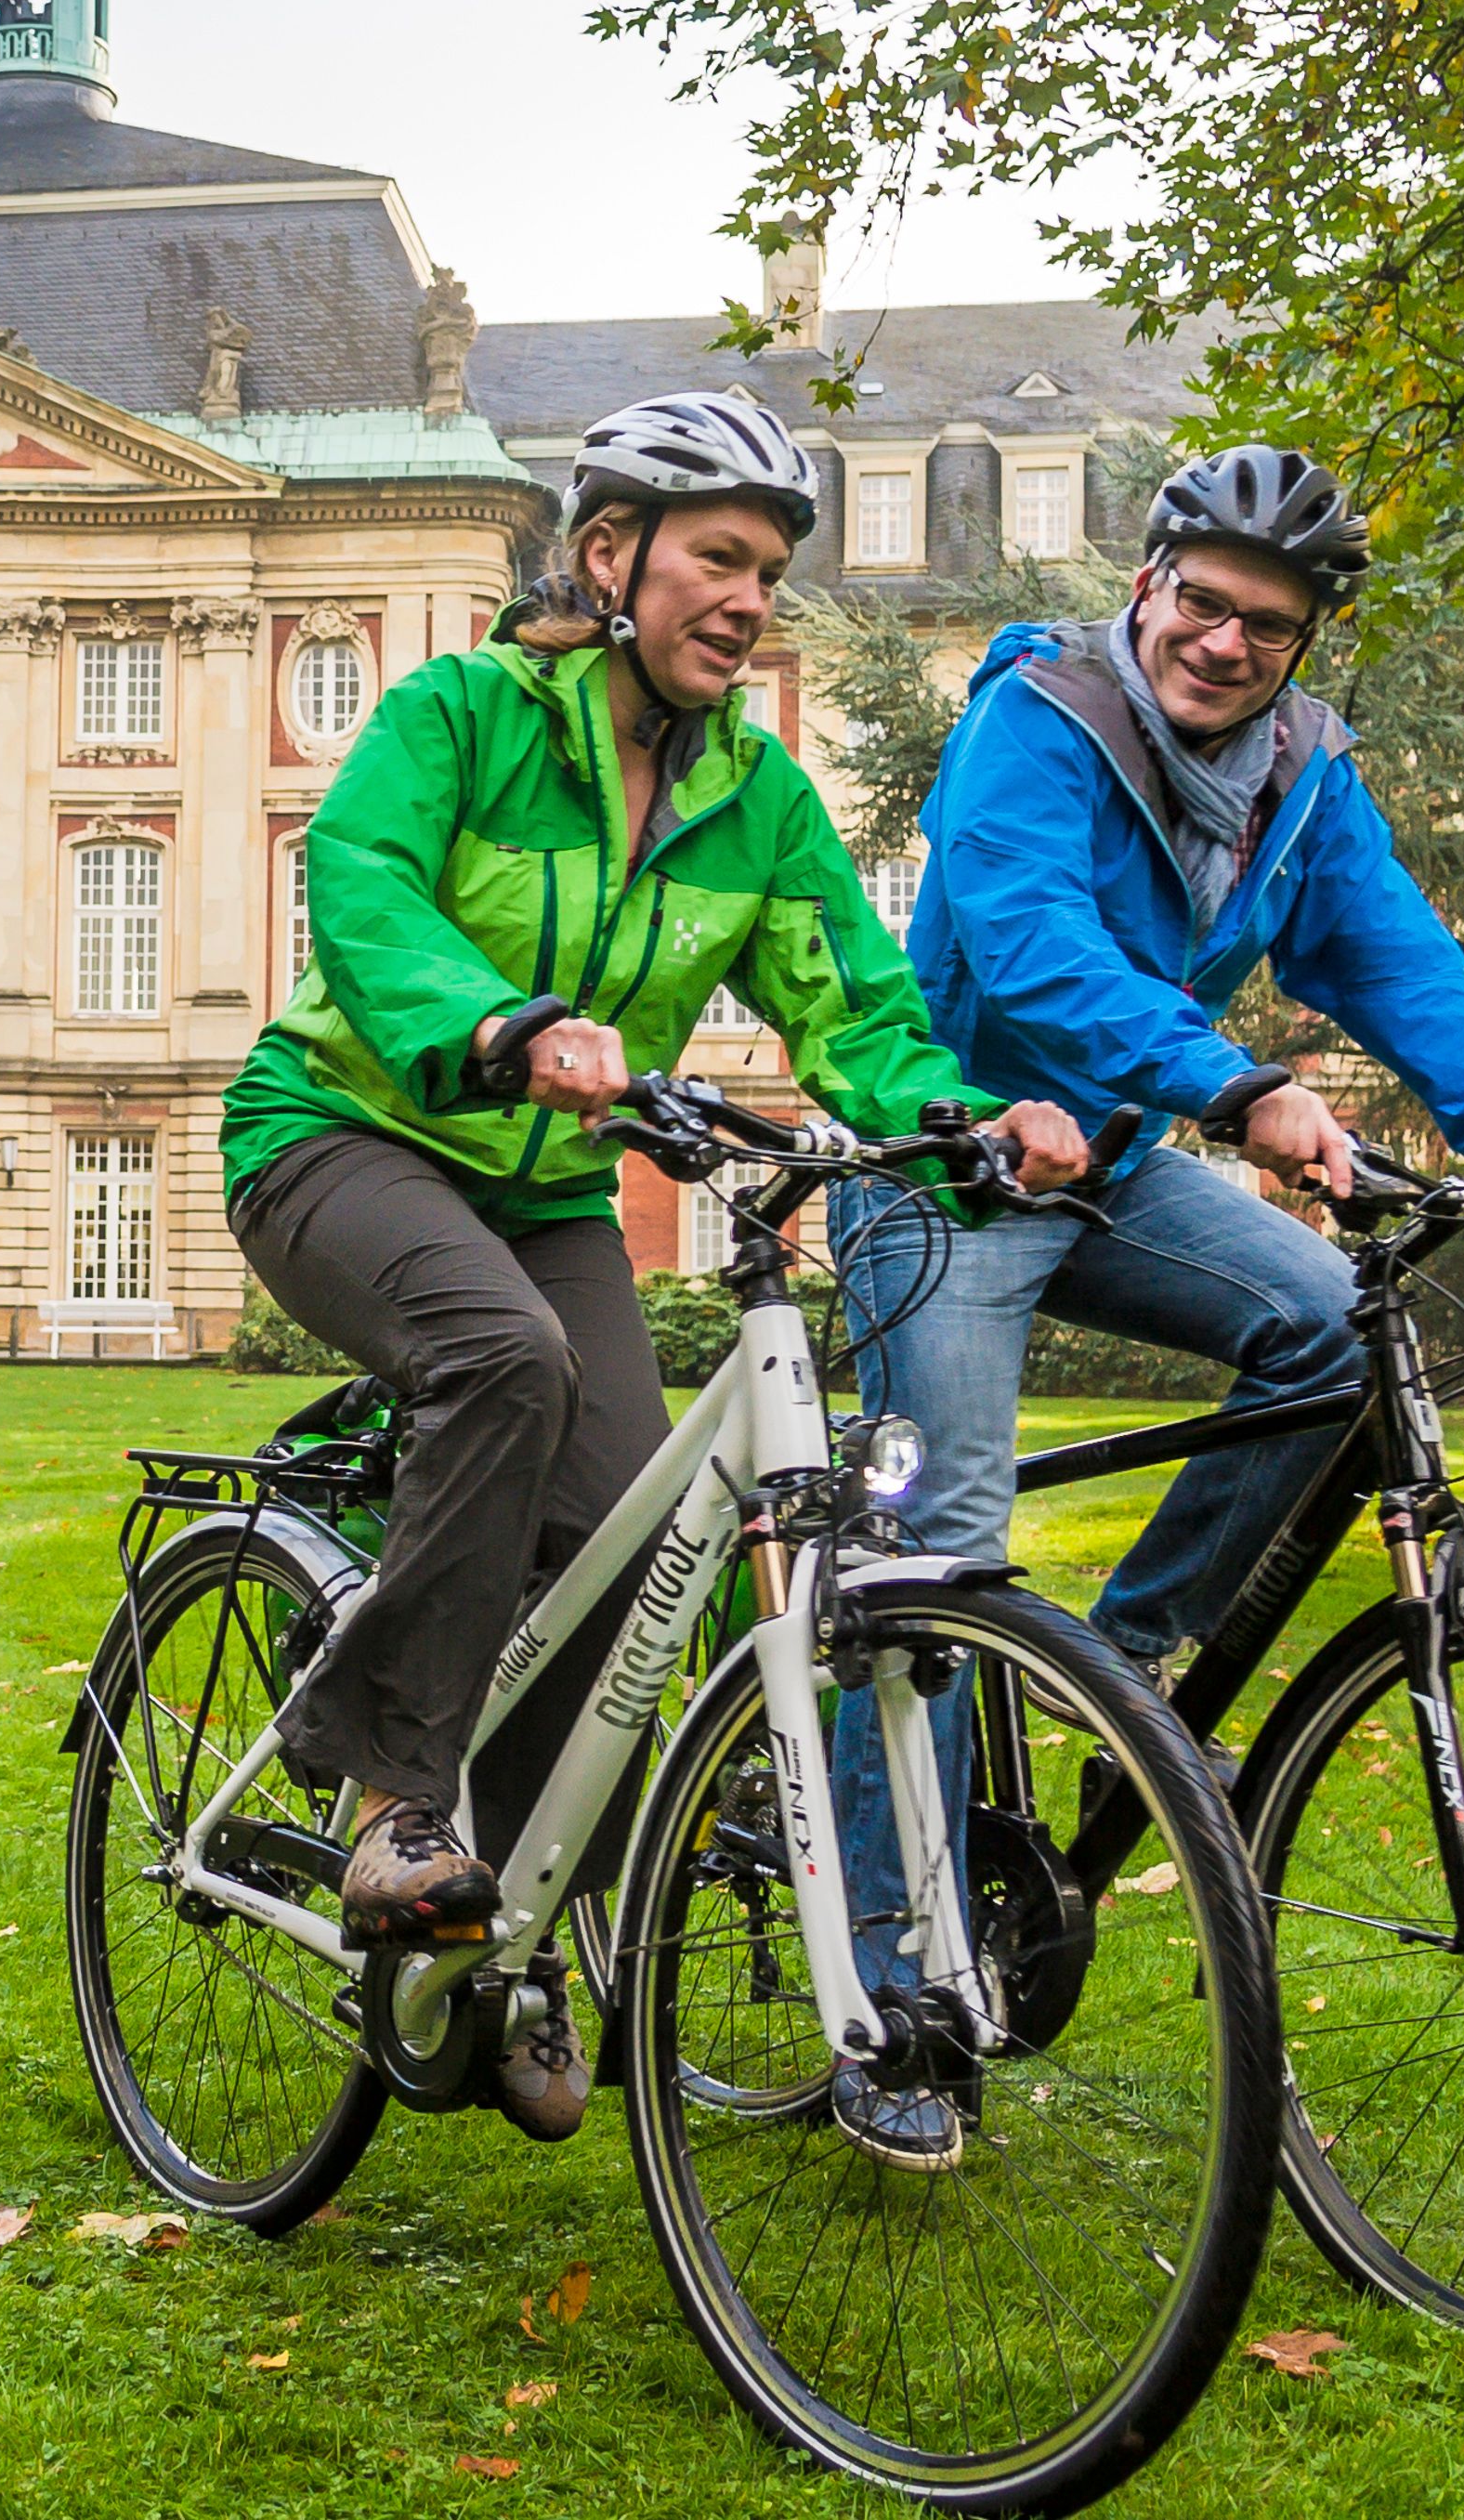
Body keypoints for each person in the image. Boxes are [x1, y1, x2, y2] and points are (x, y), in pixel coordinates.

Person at [220, 389, 1087, 2148]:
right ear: (607, 557)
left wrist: (960, 1112)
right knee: (504, 1362)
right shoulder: (460, 714)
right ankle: (394, 1794)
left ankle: (508, 1937)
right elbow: (360, 875)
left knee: (628, 1543)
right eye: (718, 558)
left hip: (544, 1189)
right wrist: (497, 1018)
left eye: (768, 570)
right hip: (340, 1133)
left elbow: (849, 995)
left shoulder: (757, 796)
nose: (748, 597)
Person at [820, 444, 1464, 2159]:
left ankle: (1118, 1668)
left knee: (1339, 1333)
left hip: (1121, 1155)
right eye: (1199, 601)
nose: (1221, 640)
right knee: (929, 1562)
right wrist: (1234, 1087)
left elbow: (1399, 963)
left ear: (1302, 645)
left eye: (1263, 625)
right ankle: (885, 1996)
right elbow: (1027, 935)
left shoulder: (1300, 777)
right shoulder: (1036, 716)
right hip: (958, 1165)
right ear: (1146, 584)